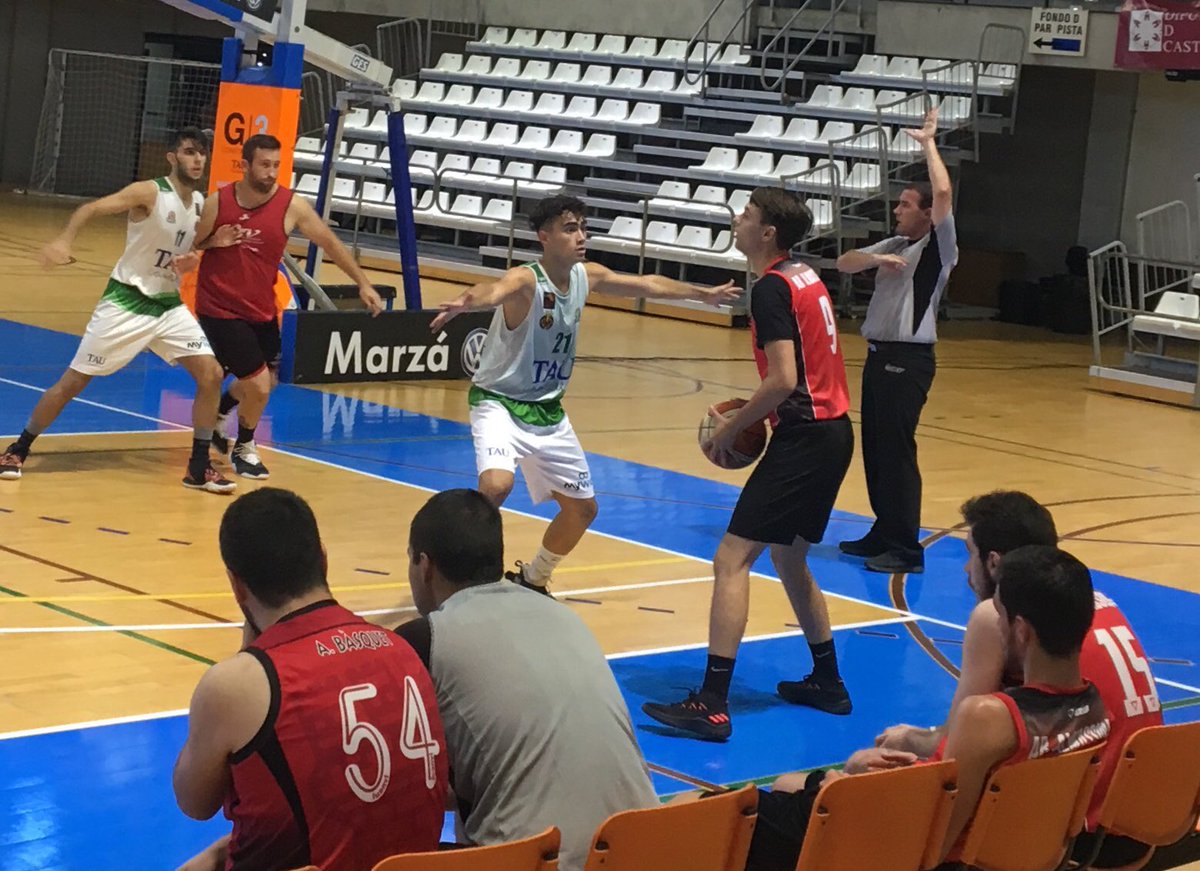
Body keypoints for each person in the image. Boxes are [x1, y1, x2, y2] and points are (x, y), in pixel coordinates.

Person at [428, 195, 740, 594]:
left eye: (583, 228)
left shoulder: (586, 276)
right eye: (570, 229)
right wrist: (467, 301)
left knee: (583, 509)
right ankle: (456, 571)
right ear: (544, 237)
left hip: (547, 409)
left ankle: (534, 579)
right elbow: (494, 289)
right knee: (496, 486)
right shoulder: (527, 280)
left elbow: (648, 284)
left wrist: (701, 294)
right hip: (498, 401)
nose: (581, 236)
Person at [745, 545, 1110, 871]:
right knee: (791, 784)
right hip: (1015, 854)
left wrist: (853, 792)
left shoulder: (988, 716)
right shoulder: (1095, 708)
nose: (995, 624)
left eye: (999, 614)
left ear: (1022, 631)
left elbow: (932, 847)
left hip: (898, 845)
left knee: (737, 815)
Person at [642, 188, 854, 741]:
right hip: (833, 433)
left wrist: (732, 429)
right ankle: (828, 682)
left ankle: (712, 703)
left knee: (731, 558)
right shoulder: (804, 276)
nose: (738, 220)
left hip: (805, 437)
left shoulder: (771, 290)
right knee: (789, 557)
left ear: (767, 233)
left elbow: (783, 380)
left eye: (748, 215)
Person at [875, 491, 1161, 868]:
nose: (965, 569)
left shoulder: (995, 631)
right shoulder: (1084, 604)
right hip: (1150, 812)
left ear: (994, 563)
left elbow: (955, 762)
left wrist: (908, 742)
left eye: (969, 554)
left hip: (1076, 833)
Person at [173, 488, 447, 871]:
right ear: (323, 560)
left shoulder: (235, 685)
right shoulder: (403, 649)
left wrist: (249, 652)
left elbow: (194, 803)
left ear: (237, 586)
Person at [395, 488, 658, 871]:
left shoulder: (423, 639)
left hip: (535, 860)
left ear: (424, 565)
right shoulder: (563, 616)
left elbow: (396, 786)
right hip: (647, 850)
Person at [2, 128, 235, 494]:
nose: (197, 159)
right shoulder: (149, 192)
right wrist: (64, 239)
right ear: (172, 157)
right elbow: (91, 208)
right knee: (73, 383)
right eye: (190, 152)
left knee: (211, 374)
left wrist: (207, 248)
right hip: (127, 300)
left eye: (202, 153)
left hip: (167, 304)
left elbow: (187, 246)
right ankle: (18, 448)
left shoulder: (200, 204)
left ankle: (198, 467)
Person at [192, 133, 385, 480]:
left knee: (269, 380)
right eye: (264, 165)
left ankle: (222, 409)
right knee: (259, 385)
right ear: (245, 165)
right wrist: (214, 242)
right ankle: (244, 449)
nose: (271, 173)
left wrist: (363, 282)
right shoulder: (217, 203)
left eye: (277, 166)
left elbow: (329, 242)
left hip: (260, 308)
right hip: (219, 307)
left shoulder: (291, 205)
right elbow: (191, 245)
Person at [835, 108, 958, 574]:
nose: (897, 210)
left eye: (906, 204)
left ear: (927, 214)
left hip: (908, 360)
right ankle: (884, 530)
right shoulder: (893, 246)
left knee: (897, 452)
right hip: (878, 356)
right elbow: (845, 262)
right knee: (876, 449)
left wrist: (929, 143)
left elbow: (943, 192)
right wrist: (876, 261)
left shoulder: (938, 248)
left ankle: (906, 548)